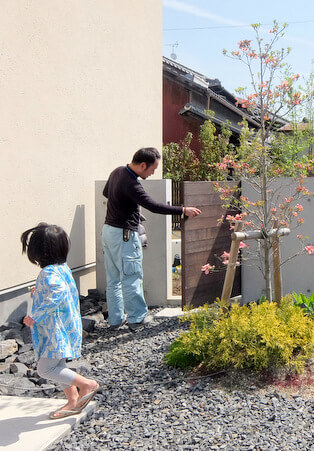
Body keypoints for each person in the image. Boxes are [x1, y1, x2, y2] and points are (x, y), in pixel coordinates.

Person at [102, 147, 201, 331]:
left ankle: (115, 320)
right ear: (142, 165)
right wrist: (182, 210)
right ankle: (137, 319)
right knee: (131, 277)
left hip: (108, 231)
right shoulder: (131, 183)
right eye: (153, 169)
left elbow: (106, 193)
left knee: (113, 279)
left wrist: (123, 206)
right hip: (124, 235)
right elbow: (154, 206)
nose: (154, 172)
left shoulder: (117, 172)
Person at [21, 223, 100, 420]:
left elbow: (57, 292)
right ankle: (73, 400)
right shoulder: (61, 268)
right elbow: (58, 289)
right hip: (64, 326)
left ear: (38, 252)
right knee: (58, 365)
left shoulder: (48, 273)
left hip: (54, 329)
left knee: (45, 368)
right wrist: (38, 291)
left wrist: (35, 315)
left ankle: (86, 385)